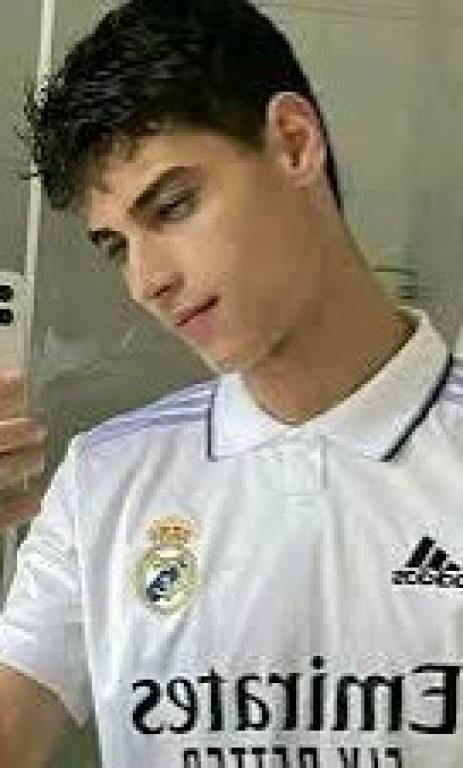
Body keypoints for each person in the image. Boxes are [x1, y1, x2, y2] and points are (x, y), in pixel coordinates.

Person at [0, 0, 462, 766]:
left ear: (293, 142)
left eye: (172, 206)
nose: (146, 281)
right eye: (117, 246)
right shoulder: (104, 479)